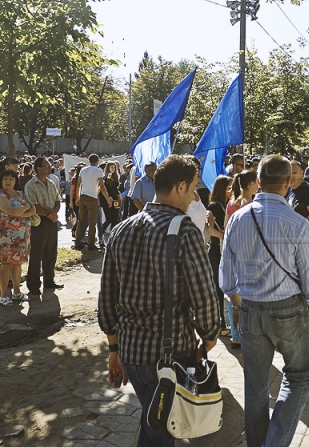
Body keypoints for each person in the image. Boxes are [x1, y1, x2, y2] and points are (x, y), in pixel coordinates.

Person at [99, 154, 220, 447]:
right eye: (192, 188)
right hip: (168, 356)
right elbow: (204, 294)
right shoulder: (184, 229)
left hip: (130, 352)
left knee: (155, 424)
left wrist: (114, 349)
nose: (194, 195)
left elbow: (106, 298)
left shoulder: (121, 229)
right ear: (180, 187)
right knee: (160, 432)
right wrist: (209, 336)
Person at [220, 154, 309, 447]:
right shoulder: (296, 223)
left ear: (257, 182)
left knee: (255, 386)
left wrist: (240, 305)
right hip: (289, 312)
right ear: (287, 183)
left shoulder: (236, 219)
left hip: (250, 310)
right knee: (297, 376)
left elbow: (226, 276)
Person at [222, 169, 258, 348]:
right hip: (248, 254)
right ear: (251, 184)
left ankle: (235, 334)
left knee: (233, 295)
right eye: (256, 182)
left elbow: (226, 228)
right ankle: (246, 332)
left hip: (233, 253)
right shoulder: (250, 205)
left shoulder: (231, 202)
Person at [0, 170, 36, 306]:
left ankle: (17, 292)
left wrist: (23, 210)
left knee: (18, 263)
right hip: (6, 237)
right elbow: (11, 211)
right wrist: (26, 208)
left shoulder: (20, 194)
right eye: (5, 178)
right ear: (1, 180)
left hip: (22, 236)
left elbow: (33, 209)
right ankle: (4, 295)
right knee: (5, 264)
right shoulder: (0, 196)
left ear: (15, 181)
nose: (8, 181)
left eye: (11, 179)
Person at [24, 158, 64, 295]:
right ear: (38, 168)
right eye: (47, 166)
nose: (49, 168)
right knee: (36, 254)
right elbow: (33, 206)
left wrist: (54, 212)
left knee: (51, 252)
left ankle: (49, 280)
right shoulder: (31, 185)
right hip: (39, 222)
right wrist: (49, 214)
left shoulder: (52, 183)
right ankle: (33, 285)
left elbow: (58, 200)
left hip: (52, 221)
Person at [207, 175, 233, 335]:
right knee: (218, 289)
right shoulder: (214, 206)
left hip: (224, 251)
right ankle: (220, 325)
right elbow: (211, 230)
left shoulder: (228, 205)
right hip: (217, 251)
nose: (232, 190)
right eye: (229, 187)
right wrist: (227, 236)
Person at [75, 154, 113, 250]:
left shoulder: (83, 170)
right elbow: (102, 186)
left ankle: (77, 242)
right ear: (98, 161)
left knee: (81, 221)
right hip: (92, 197)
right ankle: (91, 244)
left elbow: (78, 185)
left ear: (89, 161)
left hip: (83, 196)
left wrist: (77, 197)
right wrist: (108, 199)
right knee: (92, 223)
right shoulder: (98, 170)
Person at [287, 160, 309, 256]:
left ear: (302, 172)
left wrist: (295, 232)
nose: (291, 176)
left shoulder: (308, 191)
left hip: (306, 243)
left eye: (294, 173)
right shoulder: (290, 190)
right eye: (288, 173)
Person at [100, 162, 122, 236]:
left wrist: (118, 193)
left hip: (115, 200)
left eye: (114, 167)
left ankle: (113, 233)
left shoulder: (115, 176)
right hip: (107, 200)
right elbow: (106, 187)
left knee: (115, 217)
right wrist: (109, 196)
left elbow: (115, 187)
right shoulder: (106, 176)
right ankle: (101, 231)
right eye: (111, 167)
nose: (113, 169)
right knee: (109, 218)